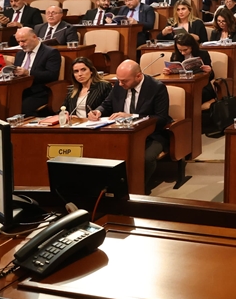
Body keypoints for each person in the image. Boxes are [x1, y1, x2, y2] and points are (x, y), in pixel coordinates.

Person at [90, 59, 172, 193]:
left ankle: (137, 190)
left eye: (124, 81)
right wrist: (98, 111)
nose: (120, 83)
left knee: (144, 158)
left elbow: (161, 118)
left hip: (151, 135)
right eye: (119, 80)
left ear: (138, 76)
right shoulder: (119, 85)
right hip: (121, 133)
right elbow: (107, 104)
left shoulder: (156, 88)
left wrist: (132, 116)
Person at [12, 26, 62, 115]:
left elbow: (52, 75)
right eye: (18, 42)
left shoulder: (50, 52)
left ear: (34, 37)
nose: (21, 45)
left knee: (22, 107)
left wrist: (28, 73)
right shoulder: (19, 54)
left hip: (40, 91)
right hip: (19, 90)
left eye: (23, 41)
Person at [170, 33, 215, 101]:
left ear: (192, 46)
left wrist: (209, 71)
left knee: (193, 95)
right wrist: (169, 72)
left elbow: (211, 76)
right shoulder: (175, 55)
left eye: (185, 50)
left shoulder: (203, 54)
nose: (183, 53)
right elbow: (173, 75)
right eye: (180, 50)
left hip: (201, 86)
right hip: (181, 85)